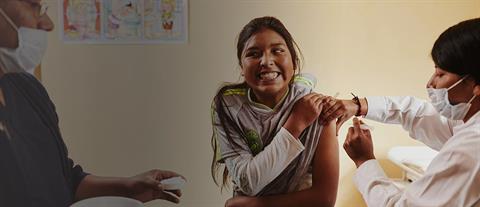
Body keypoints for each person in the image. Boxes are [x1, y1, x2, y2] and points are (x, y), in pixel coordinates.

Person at [0, 0, 183, 206]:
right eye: (34, 6)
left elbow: (65, 180)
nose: (47, 23)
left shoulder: (28, 90)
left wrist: (127, 187)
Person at [321, 17, 480, 206]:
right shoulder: (470, 124)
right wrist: (359, 105)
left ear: (475, 84)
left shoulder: (470, 148)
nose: (430, 83)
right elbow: (419, 113)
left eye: (440, 74)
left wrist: (364, 161)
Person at [211, 16, 339, 207]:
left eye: (277, 50)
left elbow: (325, 199)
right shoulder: (228, 106)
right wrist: (295, 124)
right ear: (241, 67)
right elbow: (248, 182)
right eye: (253, 54)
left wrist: (255, 205)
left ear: (294, 61)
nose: (266, 61)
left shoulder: (318, 109)